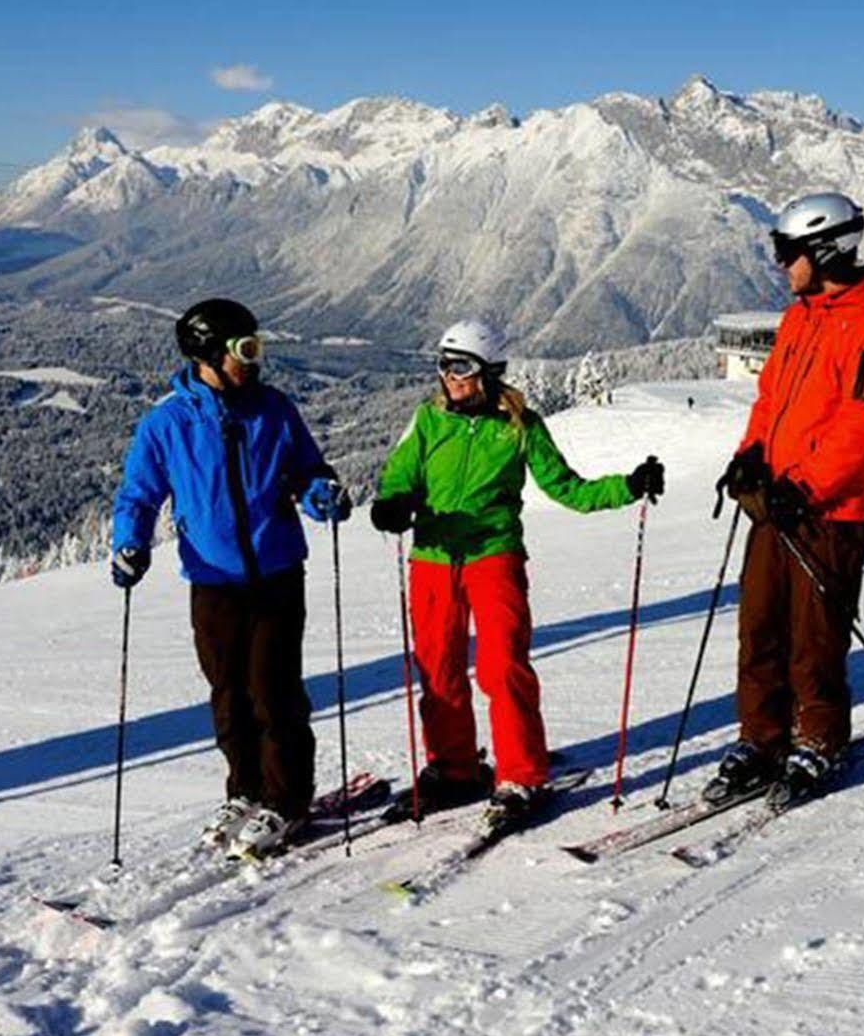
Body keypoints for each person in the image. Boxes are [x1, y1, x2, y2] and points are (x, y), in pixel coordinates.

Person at [370, 320, 663, 831]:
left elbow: (568, 489)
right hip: (434, 559)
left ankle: (523, 775)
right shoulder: (429, 421)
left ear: (487, 372)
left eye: (460, 366)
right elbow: (402, 476)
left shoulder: (520, 425)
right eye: (443, 364)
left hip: (493, 555)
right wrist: (393, 504)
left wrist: (628, 486)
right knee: (438, 669)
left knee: (502, 665)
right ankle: (455, 767)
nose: (449, 377)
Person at [110, 297, 351, 858]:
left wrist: (322, 493)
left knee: (273, 691)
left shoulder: (273, 410)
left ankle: (286, 800)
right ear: (209, 354)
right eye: (245, 348)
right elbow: (139, 495)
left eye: (256, 345)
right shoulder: (167, 423)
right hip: (212, 581)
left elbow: (308, 470)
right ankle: (244, 788)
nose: (255, 358)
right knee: (228, 694)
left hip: (276, 573)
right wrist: (130, 543)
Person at [709, 192, 864, 809]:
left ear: (824, 252)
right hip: (776, 504)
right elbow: (770, 401)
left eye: (786, 253)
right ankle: (761, 738)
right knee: (758, 626)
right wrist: (750, 457)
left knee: (814, 638)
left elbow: (859, 429)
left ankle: (818, 739)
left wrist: (806, 488)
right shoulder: (800, 318)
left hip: (829, 514)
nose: (779, 265)